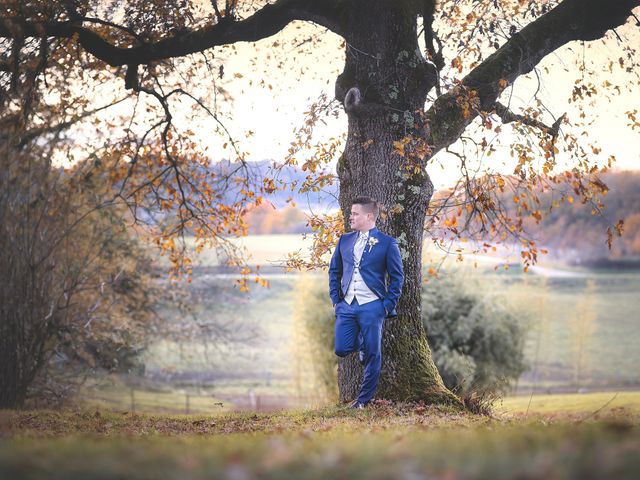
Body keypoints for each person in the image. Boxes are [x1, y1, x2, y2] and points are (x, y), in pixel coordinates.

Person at [328, 196, 404, 409]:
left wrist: (387, 306)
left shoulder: (388, 243)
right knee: (342, 349)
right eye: (351, 213)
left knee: (372, 354)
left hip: (373, 306)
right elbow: (334, 271)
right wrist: (336, 300)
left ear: (369, 216)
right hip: (347, 305)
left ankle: (362, 400)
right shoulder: (344, 240)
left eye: (355, 214)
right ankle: (360, 343)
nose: (350, 217)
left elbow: (397, 277)